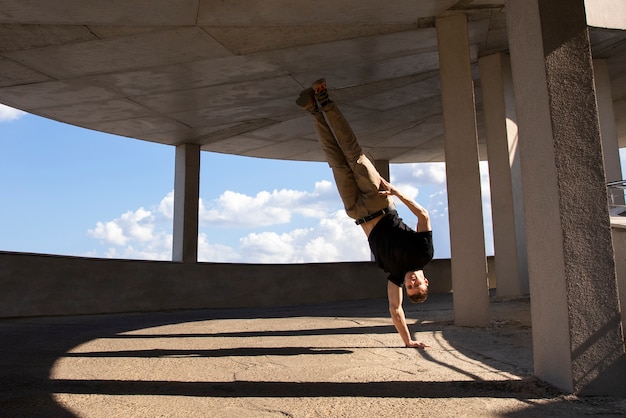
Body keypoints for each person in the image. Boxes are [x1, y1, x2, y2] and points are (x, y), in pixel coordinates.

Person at [296, 79, 434, 349]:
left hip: (356, 211)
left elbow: (395, 310)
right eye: (418, 284)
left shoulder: (394, 274)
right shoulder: (424, 254)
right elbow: (424, 216)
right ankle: (325, 99)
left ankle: (313, 109)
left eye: (411, 288)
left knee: (335, 161)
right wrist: (396, 192)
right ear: (426, 280)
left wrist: (409, 342)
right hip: (379, 200)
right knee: (354, 155)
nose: (412, 282)